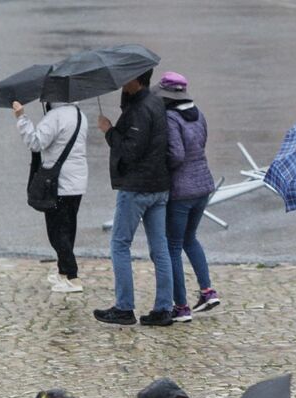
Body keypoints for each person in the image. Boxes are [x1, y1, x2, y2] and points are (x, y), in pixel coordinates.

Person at [93, 69, 174, 327]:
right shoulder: (154, 103)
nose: (119, 80)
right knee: (159, 249)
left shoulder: (140, 110)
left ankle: (124, 308)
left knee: (119, 244)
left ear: (136, 80)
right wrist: (125, 101)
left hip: (138, 188)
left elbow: (130, 151)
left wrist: (109, 131)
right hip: (159, 186)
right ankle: (163, 308)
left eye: (124, 77)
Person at [154, 71, 220, 323]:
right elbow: (200, 144)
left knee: (173, 246)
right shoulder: (198, 114)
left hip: (181, 191)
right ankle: (207, 291)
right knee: (190, 239)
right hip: (203, 185)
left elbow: (177, 155)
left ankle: (181, 306)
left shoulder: (171, 118)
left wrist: (163, 166)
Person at [13, 99, 88, 293]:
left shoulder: (55, 116)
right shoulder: (80, 115)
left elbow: (35, 143)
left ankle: (72, 276)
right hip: (77, 181)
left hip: (59, 183)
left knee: (56, 232)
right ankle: (63, 274)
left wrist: (21, 117)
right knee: (68, 228)